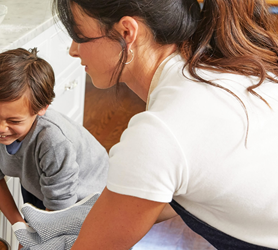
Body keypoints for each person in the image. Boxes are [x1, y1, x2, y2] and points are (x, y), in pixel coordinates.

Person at [49, 0, 278, 249]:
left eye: (79, 36)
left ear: (127, 32)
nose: (73, 50)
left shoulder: (161, 131)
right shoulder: (223, 69)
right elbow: (186, 183)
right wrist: (96, 211)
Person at [0, 48, 109, 230]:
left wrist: (38, 238)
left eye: (14, 120)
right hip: (43, 188)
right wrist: (20, 228)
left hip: (89, 204)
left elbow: (59, 213)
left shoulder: (54, 141)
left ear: (41, 109)